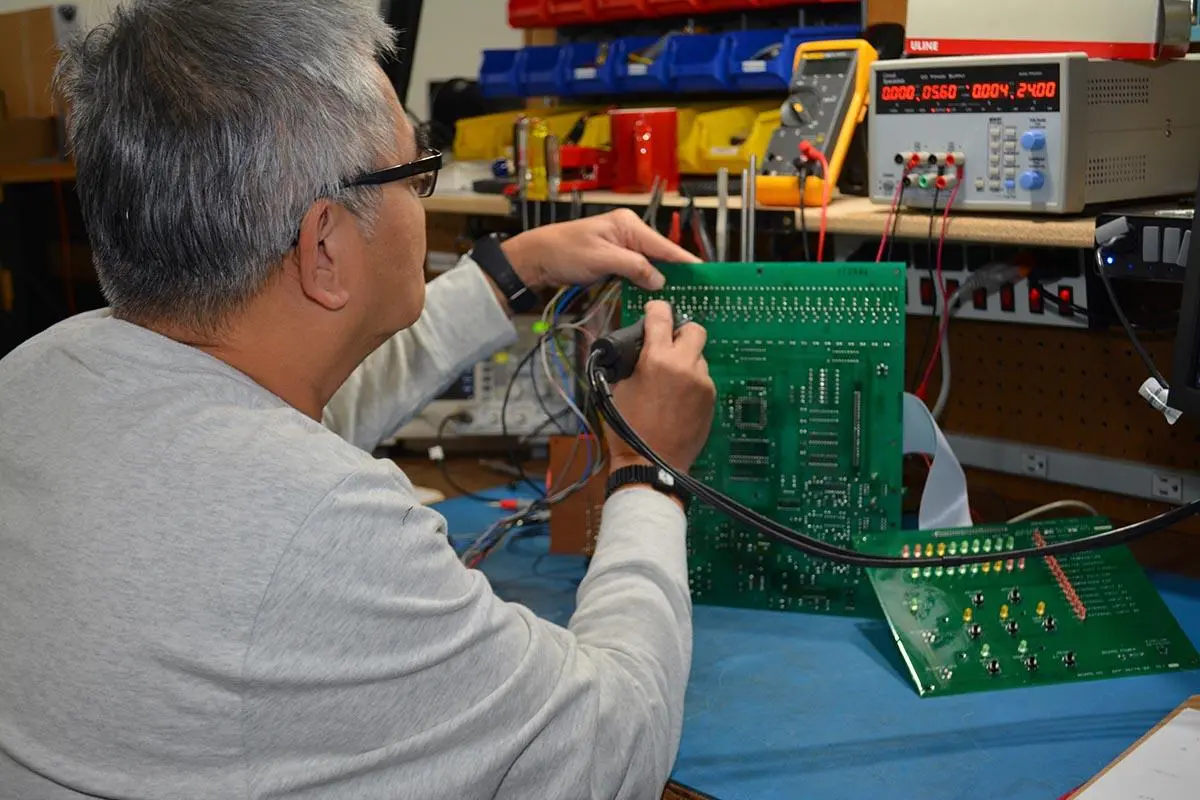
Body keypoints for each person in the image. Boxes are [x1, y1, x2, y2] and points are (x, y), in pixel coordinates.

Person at [0, 1, 717, 798]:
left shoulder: (37, 376)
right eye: (417, 172)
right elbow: (614, 750)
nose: (425, 195)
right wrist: (648, 473)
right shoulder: (319, 523)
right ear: (324, 245)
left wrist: (508, 271)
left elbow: (284, 424)